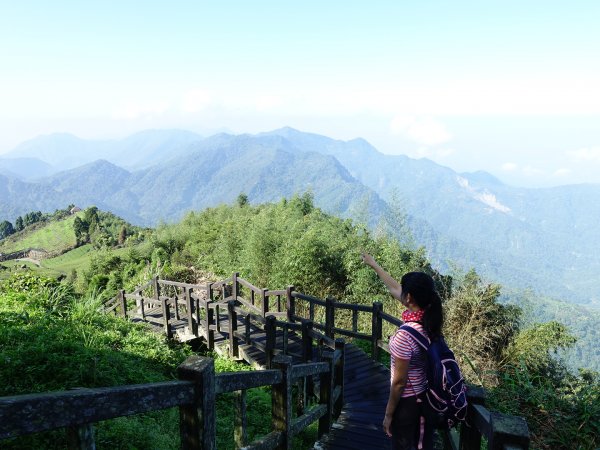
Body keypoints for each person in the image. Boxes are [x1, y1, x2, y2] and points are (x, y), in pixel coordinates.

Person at [361, 253, 443, 450]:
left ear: (409, 298)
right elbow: (395, 288)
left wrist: (389, 414)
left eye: (404, 291)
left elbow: (399, 383)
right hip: (424, 397)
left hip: (407, 404)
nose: (400, 292)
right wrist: (374, 264)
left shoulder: (405, 336)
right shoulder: (429, 321)